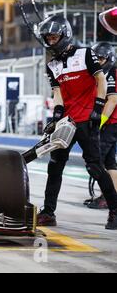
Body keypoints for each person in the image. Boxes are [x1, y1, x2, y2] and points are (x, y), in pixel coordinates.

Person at [36, 15, 117, 230]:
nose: (51, 41)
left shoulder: (86, 54)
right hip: (67, 122)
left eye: (54, 37)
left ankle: (115, 210)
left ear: (64, 34)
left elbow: (100, 80)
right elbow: (58, 93)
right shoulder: (51, 65)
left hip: (87, 120)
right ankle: (48, 212)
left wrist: (97, 110)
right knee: (55, 167)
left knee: (95, 167)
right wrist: (57, 115)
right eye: (48, 38)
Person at [86, 42, 117, 209]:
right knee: (110, 162)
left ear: (110, 58)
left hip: (113, 123)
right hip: (112, 123)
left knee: (98, 160)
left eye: (102, 58)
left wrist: (99, 122)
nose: (98, 61)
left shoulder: (112, 72)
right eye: (96, 58)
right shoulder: (104, 73)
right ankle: (112, 196)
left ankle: (108, 197)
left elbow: (112, 100)